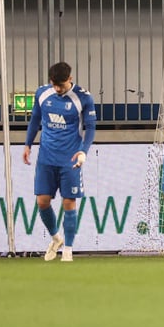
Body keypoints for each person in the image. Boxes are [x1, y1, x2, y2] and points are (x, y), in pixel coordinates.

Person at [22, 62, 96, 262]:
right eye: (54, 84)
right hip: (46, 158)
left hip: (70, 159)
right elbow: (35, 119)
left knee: (68, 201)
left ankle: (68, 250)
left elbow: (90, 127)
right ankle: (56, 238)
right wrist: (28, 144)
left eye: (61, 85)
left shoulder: (84, 98)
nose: (57, 89)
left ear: (70, 79)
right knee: (42, 201)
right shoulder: (42, 94)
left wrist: (83, 151)